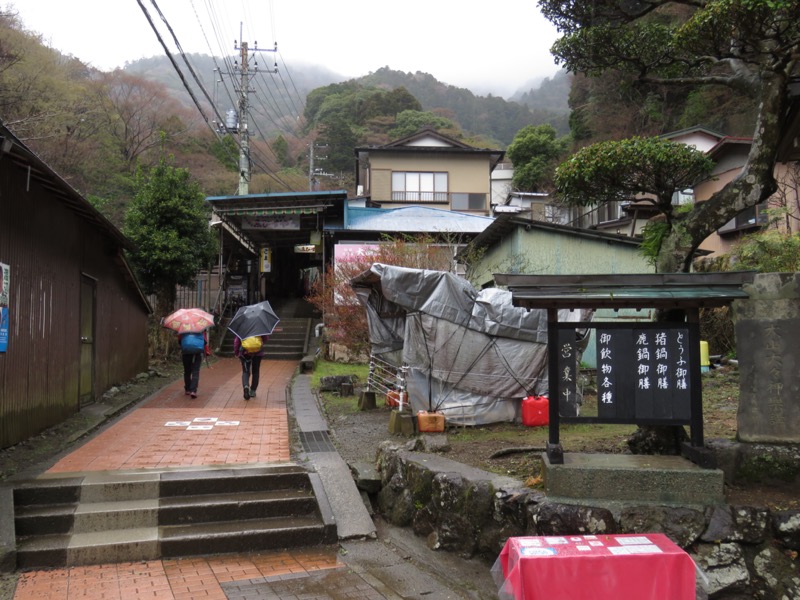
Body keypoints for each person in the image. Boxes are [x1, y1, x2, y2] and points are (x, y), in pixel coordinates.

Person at [234, 334, 268, 400]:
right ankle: (253, 391)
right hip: (258, 352)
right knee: (256, 372)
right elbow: (265, 338)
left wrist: (237, 352)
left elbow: (236, 341)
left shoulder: (242, 327)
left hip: (245, 352)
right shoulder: (260, 326)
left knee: (245, 371)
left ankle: (246, 386)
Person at [179, 329, 209, 398]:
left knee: (187, 371)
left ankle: (187, 389)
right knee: (195, 371)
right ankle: (193, 390)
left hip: (186, 352)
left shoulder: (183, 328)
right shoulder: (200, 327)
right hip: (197, 353)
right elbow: (205, 342)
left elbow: (180, 341)